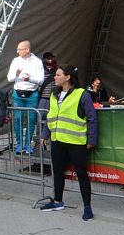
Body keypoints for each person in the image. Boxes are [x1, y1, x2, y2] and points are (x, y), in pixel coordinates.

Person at [40, 65, 98, 220]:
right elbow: (51, 117)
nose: (55, 77)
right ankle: (58, 201)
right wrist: (45, 134)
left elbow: (92, 118)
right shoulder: (54, 94)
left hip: (76, 142)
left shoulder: (82, 95)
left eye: (58, 75)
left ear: (67, 77)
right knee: (57, 172)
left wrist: (92, 139)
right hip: (57, 140)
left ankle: (87, 207)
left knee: (81, 174)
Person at [6, 41, 44, 154]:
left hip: (32, 93)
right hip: (18, 93)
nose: (17, 51)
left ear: (27, 50)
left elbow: (41, 80)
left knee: (31, 119)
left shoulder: (37, 62)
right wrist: (16, 75)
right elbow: (9, 78)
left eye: (20, 49)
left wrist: (30, 79)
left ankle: (28, 144)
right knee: (18, 119)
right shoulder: (15, 60)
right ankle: (19, 144)